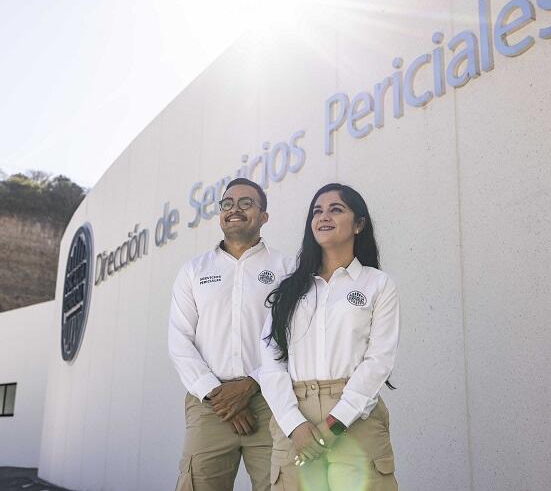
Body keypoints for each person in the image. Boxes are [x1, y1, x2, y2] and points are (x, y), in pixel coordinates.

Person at [259, 183, 400, 490]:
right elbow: (270, 363)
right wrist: (295, 426)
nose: (324, 217)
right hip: (294, 413)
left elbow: (379, 361)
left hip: (355, 416)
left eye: (336, 209)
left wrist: (333, 425)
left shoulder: (377, 284)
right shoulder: (288, 290)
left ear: (359, 224)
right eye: (317, 211)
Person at [169, 177, 293, 491]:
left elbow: (294, 336)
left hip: (269, 401)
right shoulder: (193, 271)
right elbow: (179, 340)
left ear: (264, 216)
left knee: (280, 484)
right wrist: (217, 394)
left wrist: (250, 384)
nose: (234, 209)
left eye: (246, 203)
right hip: (209, 405)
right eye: (227, 204)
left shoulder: (287, 268)